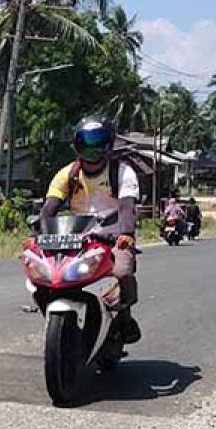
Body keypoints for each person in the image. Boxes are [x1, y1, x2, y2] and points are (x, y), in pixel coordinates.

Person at [40, 117, 143, 344]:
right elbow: (50, 207)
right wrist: (41, 231)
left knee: (123, 271)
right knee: (42, 276)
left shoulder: (122, 172)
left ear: (108, 145)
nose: (92, 149)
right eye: (86, 143)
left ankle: (125, 318)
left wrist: (127, 233)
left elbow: (127, 206)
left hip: (114, 237)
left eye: (97, 143)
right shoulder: (68, 174)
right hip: (76, 237)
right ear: (77, 145)